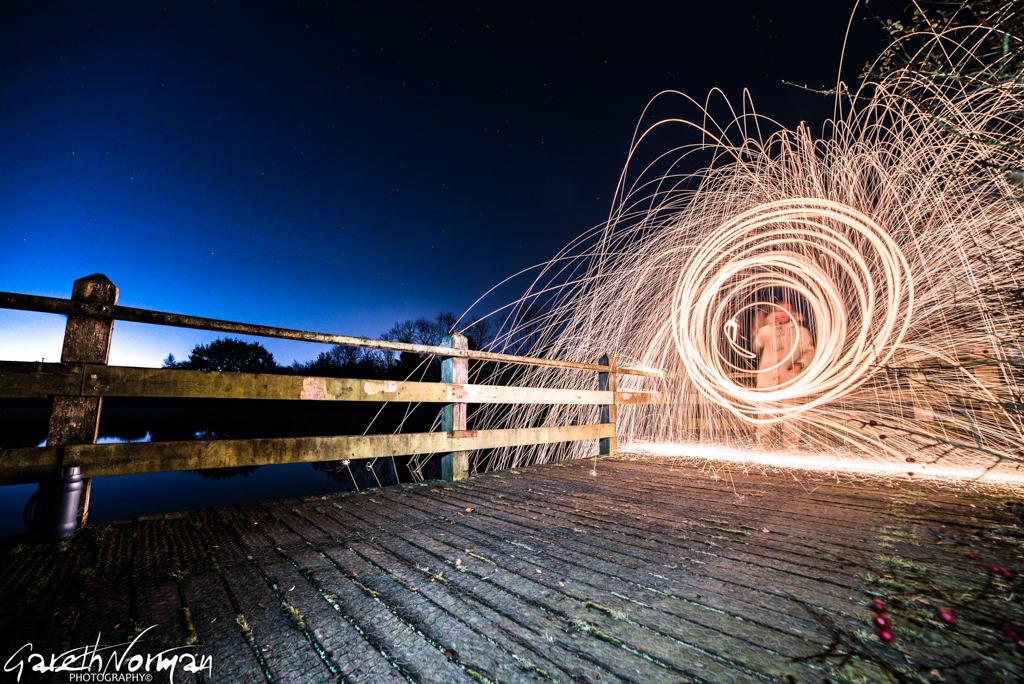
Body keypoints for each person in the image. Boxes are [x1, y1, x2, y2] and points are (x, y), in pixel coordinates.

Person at [753, 301, 815, 450]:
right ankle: (762, 446)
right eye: (779, 311)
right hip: (768, 379)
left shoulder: (801, 332)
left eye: (786, 310)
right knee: (765, 416)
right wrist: (756, 334)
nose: (782, 313)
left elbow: (809, 351)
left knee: (792, 417)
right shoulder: (766, 330)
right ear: (774, 313)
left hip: (791, 380)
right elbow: (756, 348)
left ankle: (790, 447)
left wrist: (800, 364)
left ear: (792, 312)